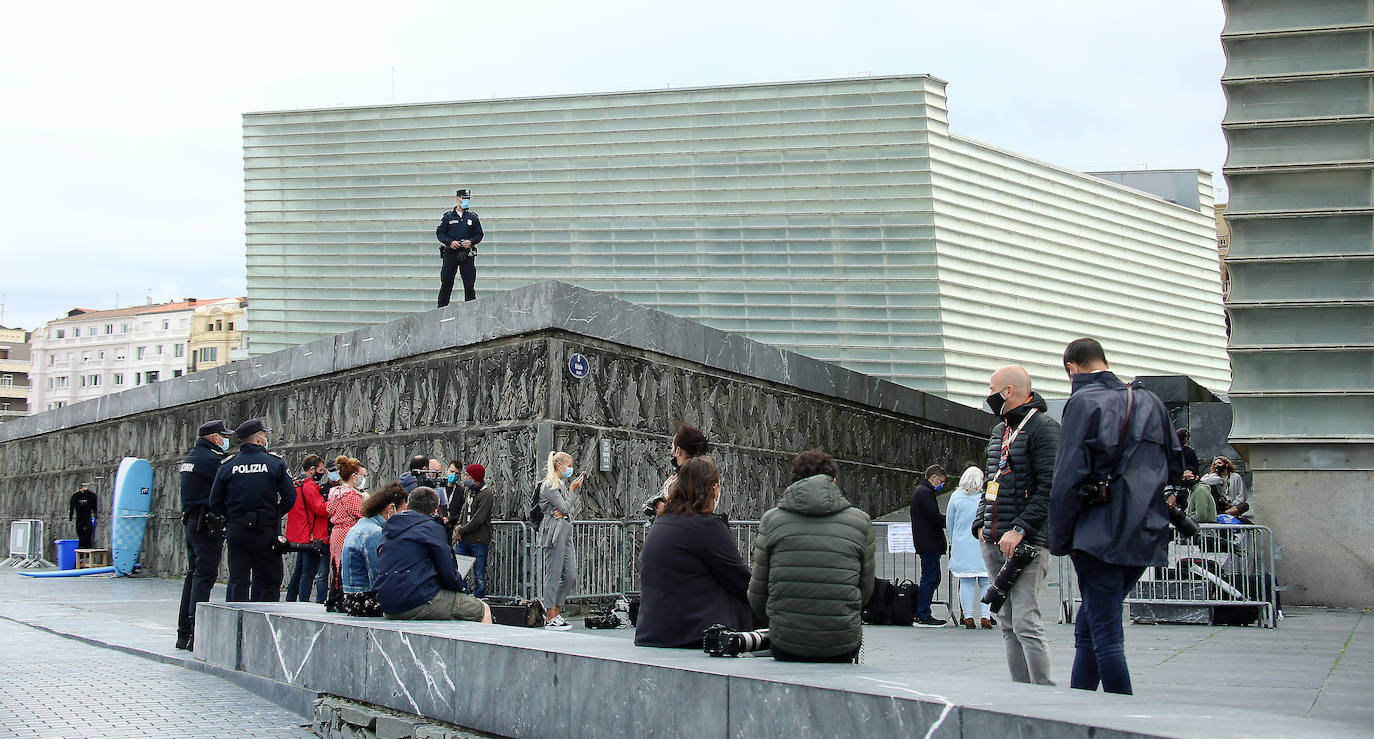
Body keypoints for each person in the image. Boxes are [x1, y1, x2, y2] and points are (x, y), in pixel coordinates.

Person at [1050, 338, 1183, 695]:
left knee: (1105, 633)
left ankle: (1123, 720)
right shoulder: (1149, 400)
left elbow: (1067, 477)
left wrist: (1061, 540)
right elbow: (1177, 463)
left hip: (1099, 534)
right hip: (1144, 533)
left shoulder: (1083, 402)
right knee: (1089, 625)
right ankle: (1077, 713)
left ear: (1071, 368)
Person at [748, 449, 875, 663]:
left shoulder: (772, 520)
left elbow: (757, 593)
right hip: (842, 642)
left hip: (786, 642)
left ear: (795, 481)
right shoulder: (860, 522)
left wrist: (780, 620)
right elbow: (866, 589)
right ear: (833, 480)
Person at [975, 365, 1059, 686]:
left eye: (992, 388)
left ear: (1008, 391)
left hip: (1027, 543)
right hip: (994, 537)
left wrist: (1020, 527)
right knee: (1007, 622)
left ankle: (1043, 694)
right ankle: (1020, 693)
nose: (989, 396)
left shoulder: (1043, 428)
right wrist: (979, 522)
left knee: (1025, 621)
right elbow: (991, 480)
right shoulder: (1001, 431)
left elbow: (1048, 487)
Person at [636, 456, 753, 648]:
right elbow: (741, 579)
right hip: (694, 632)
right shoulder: (706, 526)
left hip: (652, 630)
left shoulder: (662, 523)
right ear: (712, 489)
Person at [208, 419, 296, 603]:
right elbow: (290, 497)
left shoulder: (228, 465)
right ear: (258, 439)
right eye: (264, 435)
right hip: (265, 529)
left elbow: (215, 502)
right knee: (270, 580)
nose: (266, 438)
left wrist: (231, 516)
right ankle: (266, 626)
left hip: (237, 529)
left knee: (238, 580)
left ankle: (237, 626)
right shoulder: (274, 463)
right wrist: (275, 513)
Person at [376, 487, 492, 623]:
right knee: (482, 609)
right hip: (417, 599)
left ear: (408, 506)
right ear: (435, 511)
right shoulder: (432, 528)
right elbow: (447, 570)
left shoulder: (390, 528)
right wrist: (461, 589)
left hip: (388, 604)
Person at [174, 419, 233, 650]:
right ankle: (195, 632)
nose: (225, 440)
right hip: (207, 523)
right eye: (223, 436)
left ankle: (183, 632)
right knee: (204, 576)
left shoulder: (192, 458)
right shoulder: (212, 460)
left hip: (192, 522)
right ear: (213, 437)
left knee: (193, 574)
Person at [340, 482, 409, 615]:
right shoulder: (374, 534)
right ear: (390, 509)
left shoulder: (363, 524)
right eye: (402, 512)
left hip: (353, 596)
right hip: (363, 600)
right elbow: (378, 576)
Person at [537, 451, 582, 630]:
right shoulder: (549, 485)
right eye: (569, 466)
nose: (570, 469)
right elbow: (564, 506)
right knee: (553, 574)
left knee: (570, 575)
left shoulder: (561, 484)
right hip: (554, 532)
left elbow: (568, 509)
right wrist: (572, 492)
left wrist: (566, 508)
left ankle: (557, 609)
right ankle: (550, 614)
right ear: (559, 465)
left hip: (565, 529)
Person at [946, 466, 994, 629]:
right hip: (983, 542)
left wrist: (953, 540)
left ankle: (968, 617)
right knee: (986, 581)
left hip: (962, 544)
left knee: (966, 582)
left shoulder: (956, 496)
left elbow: (950, 522)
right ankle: (986, 616)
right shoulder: (986, 495)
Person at [643, 423, 710, 524]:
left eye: (672, 447)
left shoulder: (685, 478)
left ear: (678, 451)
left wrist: (662, 507)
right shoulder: (702, 476)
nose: (671, 452)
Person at [284, 454, 329, 603]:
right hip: (310, 533)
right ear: (312, 470)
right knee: (308, 572)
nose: (322, 473)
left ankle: (291, 599)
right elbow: (320, 509)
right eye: (321, 470)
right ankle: (303, 601)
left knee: (299, 570)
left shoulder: (296, 483)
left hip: (299, 532)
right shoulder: (309, 486)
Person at [909, 464, 948, 627]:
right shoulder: (925, 493)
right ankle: (922, 613)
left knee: (932, 577)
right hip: (929, 543)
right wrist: (951, 520)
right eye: (942, 482)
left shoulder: (922, 492)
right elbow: (934, 517)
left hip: (926, 542)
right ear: (935, 477)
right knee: (930, 577)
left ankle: (923, 611)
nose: (942, 485)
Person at [434, 188, 484, 306]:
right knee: (446, 283)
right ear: (457, 199)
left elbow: (479, 234)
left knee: (469, 284)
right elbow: (440, 233)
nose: (466, 201)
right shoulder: (448, 217)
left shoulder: (473, 217)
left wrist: (471, 242)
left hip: (466, 254)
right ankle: (441, 309)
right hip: (451, 253)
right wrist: (450, 242)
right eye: (464, 198)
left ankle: (471, 309)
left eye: (468, 199)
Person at [453, 464, 494, 598]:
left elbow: (478, 519)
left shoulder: (486, 494)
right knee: (459, 572)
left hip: (478, 540)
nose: (465, 478)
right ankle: (461, 598)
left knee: (479, 576)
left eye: (467, 475)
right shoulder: (469, 491)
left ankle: (479, 601)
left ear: (475, 478)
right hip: (464, 540)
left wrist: (462, 530)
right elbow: (464, 510)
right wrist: (458, 525)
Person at [68, 482, 98, 549]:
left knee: (88, 533)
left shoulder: (92, 496)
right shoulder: (75, 496)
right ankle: (81, 549)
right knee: (80, 533)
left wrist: (95, 514)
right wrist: (70, 516)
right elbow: (71, 507)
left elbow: (95, 507)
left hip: (87, 517)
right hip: (80, 517)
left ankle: (87, 549)